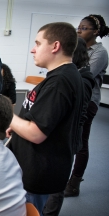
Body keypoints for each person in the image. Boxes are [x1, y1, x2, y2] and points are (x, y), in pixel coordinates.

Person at [7, 22, 85, 216]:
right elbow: (39, 119)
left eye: (38, 43)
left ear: (55, 46)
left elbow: (36, 132)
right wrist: (18, 126)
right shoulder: (61, 76)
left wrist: (8, 118)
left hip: (38, 171)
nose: (33, 49)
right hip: (36, 167)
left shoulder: (60, 81)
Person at [42, 38, 100, 216]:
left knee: (57, 181)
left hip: (64, 140)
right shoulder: (69, 76)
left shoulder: (81, 79)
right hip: (59, 137)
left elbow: (77, 115)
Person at [63, 14, 109, 198]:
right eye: (78, 27)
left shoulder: (100, 52)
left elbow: (84, 73)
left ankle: (74, 183)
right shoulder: (76, 48)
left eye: (84, 28)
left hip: (88, 101)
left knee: (81, 142)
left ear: (96, 32)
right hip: (72, 98)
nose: (79, 30)